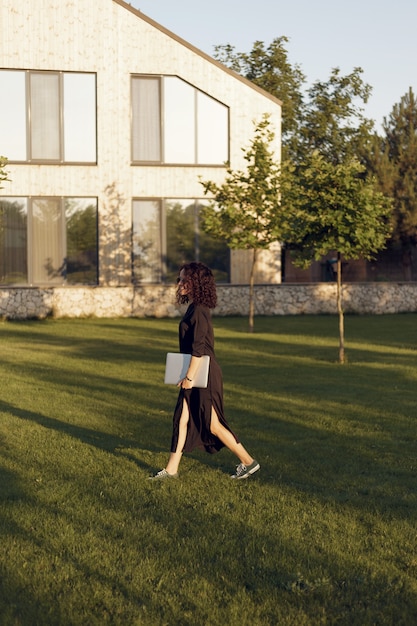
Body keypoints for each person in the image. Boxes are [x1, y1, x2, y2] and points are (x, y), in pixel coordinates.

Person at [149, 261, 260, 481]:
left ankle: (248, 462)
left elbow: (198, 348)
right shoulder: (194, 306)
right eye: (179, 279)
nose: (179, 283)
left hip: (203, 373)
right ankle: (171, 470)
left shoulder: (199, 310)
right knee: (181, 418)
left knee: (212, 424)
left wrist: (189, 377)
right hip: (195, 371)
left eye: (183, 279)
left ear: (195, 283)